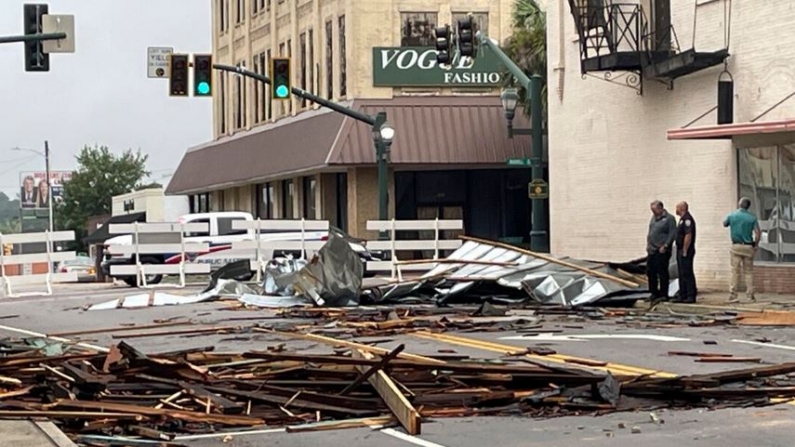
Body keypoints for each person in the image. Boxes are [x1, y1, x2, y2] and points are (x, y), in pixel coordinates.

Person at [723, 197, 761, 302]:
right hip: (748, 246)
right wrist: (756, 245)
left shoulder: (732, 215)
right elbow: (758, 233)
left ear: (739, 204)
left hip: (736, 246)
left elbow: (725, 224)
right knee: (748, 272)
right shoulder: (752, 218)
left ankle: (733, 296)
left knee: (734, 271)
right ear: (748, 206)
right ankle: (750, 296)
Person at [647, 200, 676, 301]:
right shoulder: (653, 218)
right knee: (651, 272)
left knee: (662, 272)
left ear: (660, 208)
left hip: (662, 250)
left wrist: (666, 245)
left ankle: (664, 294)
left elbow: (672, 233)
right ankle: (653, 292)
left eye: (654, 210)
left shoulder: (669, 219)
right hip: (652, 250)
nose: (653, 212)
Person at [674, 201, 697, 303]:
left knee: (687, 272)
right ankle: (682, 295)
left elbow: (688, 235)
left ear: (682, 208)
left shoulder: (688, 220)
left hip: (685, 250)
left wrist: (685, 249)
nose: (676, 210)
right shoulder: (682, 220)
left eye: (677, 208)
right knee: (681, 273)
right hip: (680, 249)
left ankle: (690, 295)